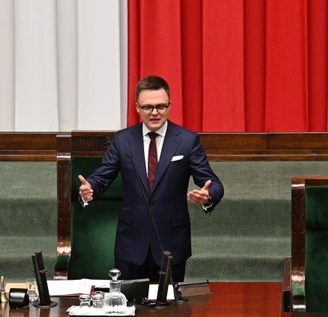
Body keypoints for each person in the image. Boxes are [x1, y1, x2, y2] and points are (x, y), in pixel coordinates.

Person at [78, 75, 224, 282]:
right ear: (137, 108)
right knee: (129, 307)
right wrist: (89, 189)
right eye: (148, 107)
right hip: (131, 243)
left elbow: (213, 183)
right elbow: (102, 176)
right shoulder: (123, 140)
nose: (154, 113)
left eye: (160, 106)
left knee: (171, 310)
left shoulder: (187, 140)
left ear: (170, 106)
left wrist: (208, 196)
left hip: (171, 242)